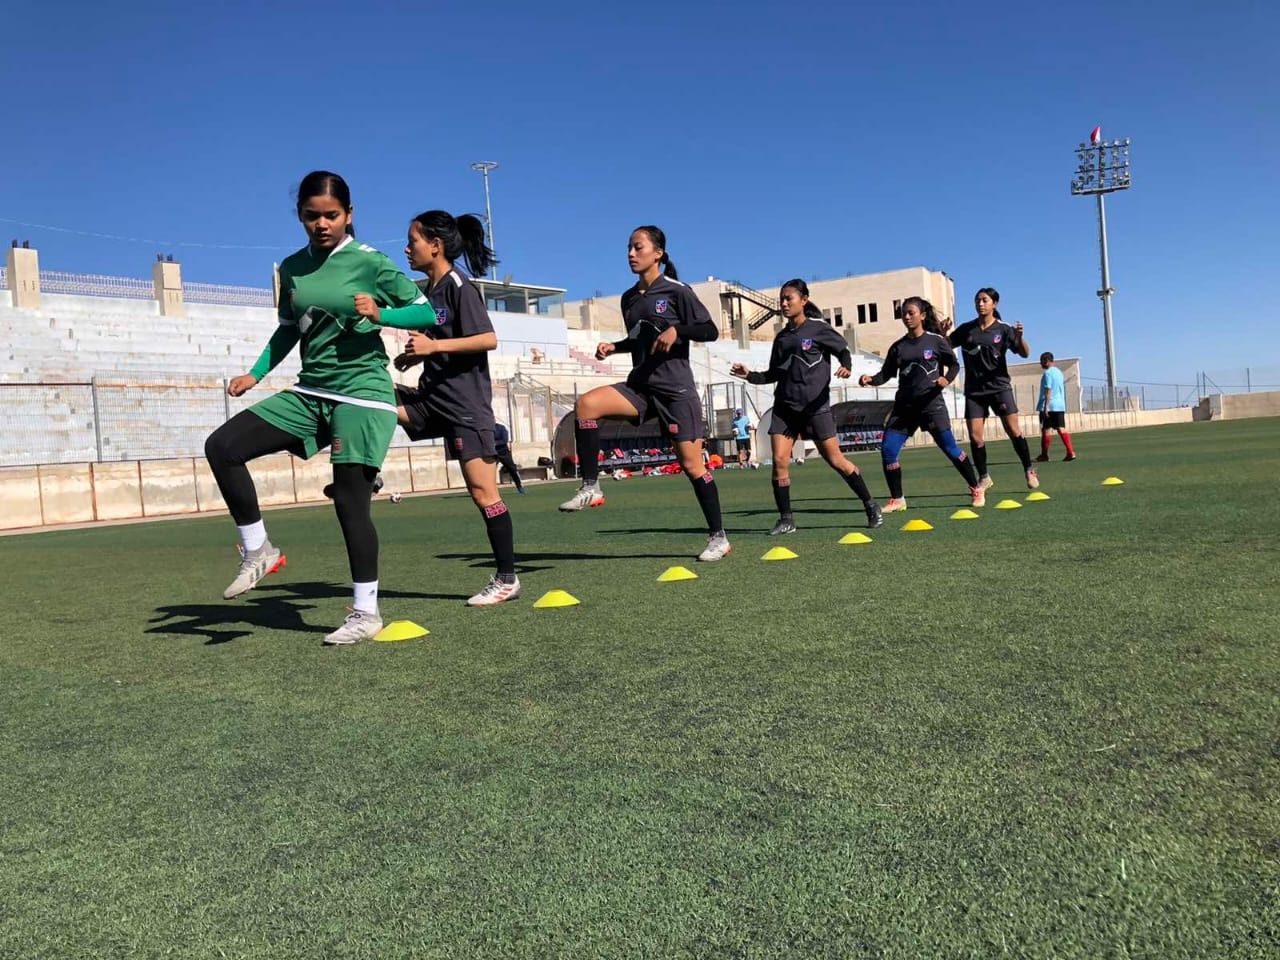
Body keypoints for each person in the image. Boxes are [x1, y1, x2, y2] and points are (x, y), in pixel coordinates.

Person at [204, 171, 439, 645]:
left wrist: (381, 314)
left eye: (332, 215)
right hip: (312, 391)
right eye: (312, 216)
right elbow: (289, 328)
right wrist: (256, 373)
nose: (322, 224)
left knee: (350, 500)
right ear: (300, 217)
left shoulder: (370, 262)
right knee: (223, 446)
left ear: (349, 216)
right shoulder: (292, 268)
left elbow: (425, 312)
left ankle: (365, 612)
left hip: (363, 394)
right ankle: (258, 550)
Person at [559, 225, 730, 562]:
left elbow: (709, 330)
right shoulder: (629, 299)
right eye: (628, 248)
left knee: (693, 466)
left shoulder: (677, 291)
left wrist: (677, 329)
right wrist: (615, 347)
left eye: (638, 247)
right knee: (586, 405)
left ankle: (718, 537)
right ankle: (591, 487)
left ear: (658, 253)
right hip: (640, 387)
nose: (631, 254)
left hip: (675, 391)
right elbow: (641, 338)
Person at [392, 210, 520, 605]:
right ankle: (363, 477)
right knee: (371, 393)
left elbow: (487, 339)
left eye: (412, 240)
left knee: (484, 495)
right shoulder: (428, 293)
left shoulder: (459, 285)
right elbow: (438, 343)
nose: (406, 248)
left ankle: (507, 579)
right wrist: (415, 357)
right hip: (434, 400)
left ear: (436, 245)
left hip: (465, 408)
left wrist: (433, 346)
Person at [731, 278, 882, 535]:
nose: (784, 303)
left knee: (836, 460)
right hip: (785, 408)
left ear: (804, 300)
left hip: (816, 407)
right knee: (779, 460)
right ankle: (786, 519)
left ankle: (870, 505)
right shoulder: (781, 339)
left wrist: (847, 366)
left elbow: (843, 350)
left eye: (789, 298)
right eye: (782, 298)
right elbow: (773, 374)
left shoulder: (818, 329)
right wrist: (750, 375)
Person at [859, 296, 984, 511]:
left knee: (951, 449)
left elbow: (954, 365)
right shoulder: (898, 347)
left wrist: (946, 380)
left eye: (911, 313)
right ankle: (897, 499)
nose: (906, 317)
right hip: (905, 408)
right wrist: (870, 379)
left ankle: (975, 488)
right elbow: (885, 374)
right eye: (904, 314)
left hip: (931, 405)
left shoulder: (935, 341)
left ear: (922, 316)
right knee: (888, 449)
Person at [945, 288, 1038, 490]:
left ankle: (1029, 469)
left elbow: (1024, 353)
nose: (980, 304)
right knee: (975, 436)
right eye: (977, 300)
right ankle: (984, 477)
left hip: (999, 388)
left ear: (994, 303)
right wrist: (943, 332)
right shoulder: (966, 329)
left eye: (984, 300)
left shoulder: (1004, 329)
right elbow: (945, 346)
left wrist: (1020, 336)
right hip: (974, 391)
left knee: (1013, 430)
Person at [1035, 352, 1077, 461]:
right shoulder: (1059, 373)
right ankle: (1070, 452)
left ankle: (1044, 455)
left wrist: (1045, 407)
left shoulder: (1047, 374)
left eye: (1042, 361)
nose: (1041, 364)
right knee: (1061, 428)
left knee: (1046, 429)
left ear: (1047, 361)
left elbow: (1048, 390)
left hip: (1050, 405)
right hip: (1059, 405)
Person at [493, 421, 525, 493]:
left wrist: (495, 443)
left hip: (503, 452)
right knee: (489, 472)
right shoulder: (486, 430)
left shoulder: (501, 428)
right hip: (493, 453)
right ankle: (490, 490)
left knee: (512, 469)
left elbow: (504, 440)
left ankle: (519, 486)